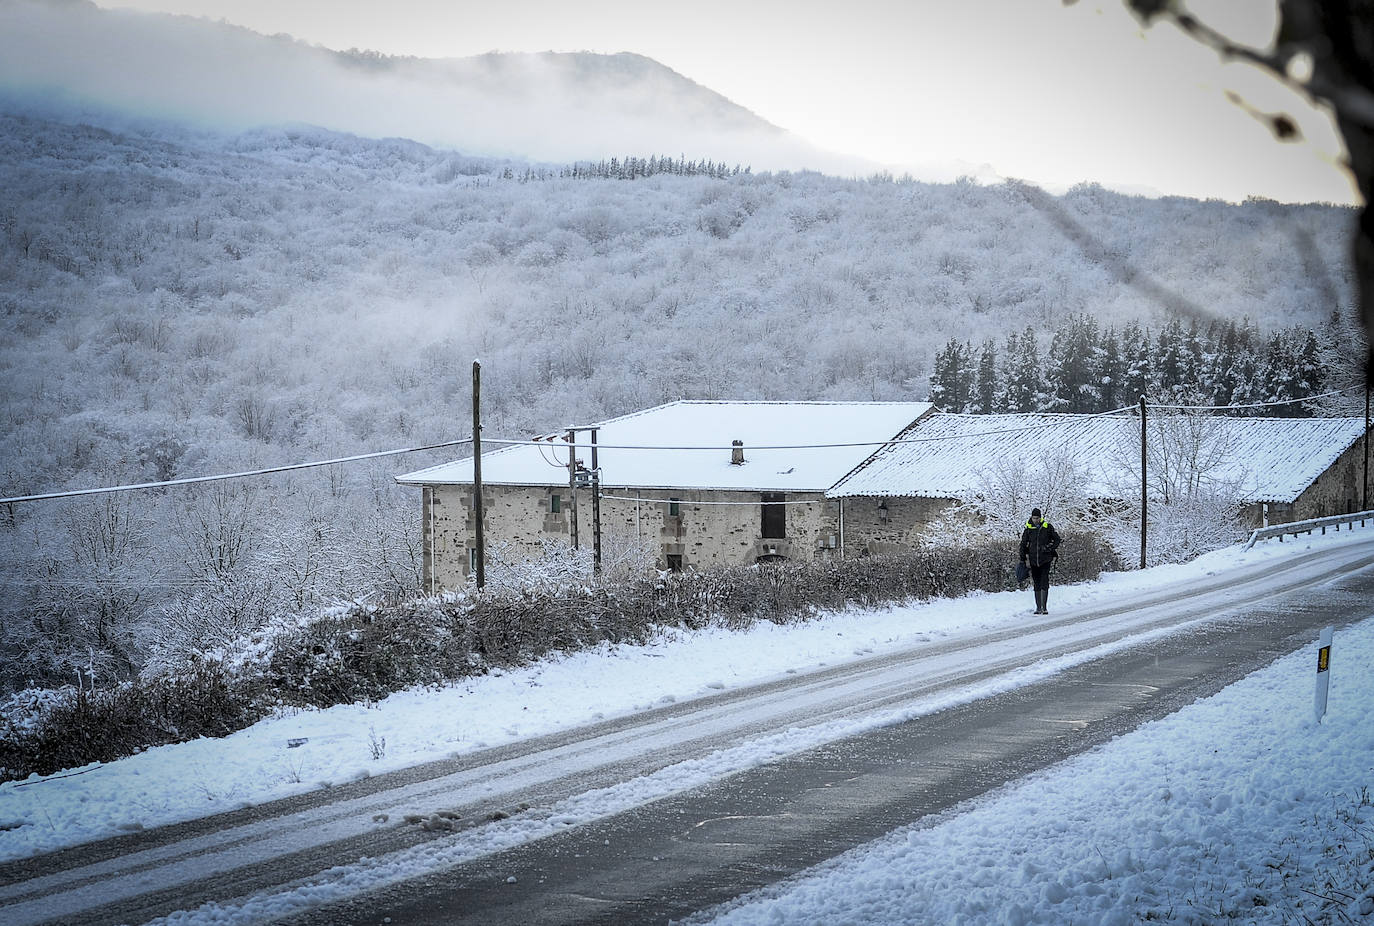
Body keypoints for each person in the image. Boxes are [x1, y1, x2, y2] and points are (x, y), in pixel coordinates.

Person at [1019, 507, 1061, 614]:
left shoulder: (1047, 527)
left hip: (1045, 559)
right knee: (1036, 582)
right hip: (1033, 560)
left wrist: (1050, 548)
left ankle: (1044, 607)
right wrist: (1023, 559)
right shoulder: (1028, 529)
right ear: (1031, 517)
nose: (1035, 520)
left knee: (1044, 581)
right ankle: (1038, 607)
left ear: (1040, 518)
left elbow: (1057, 539)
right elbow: (1023, 544)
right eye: (1034, 518)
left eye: (1037, 518)